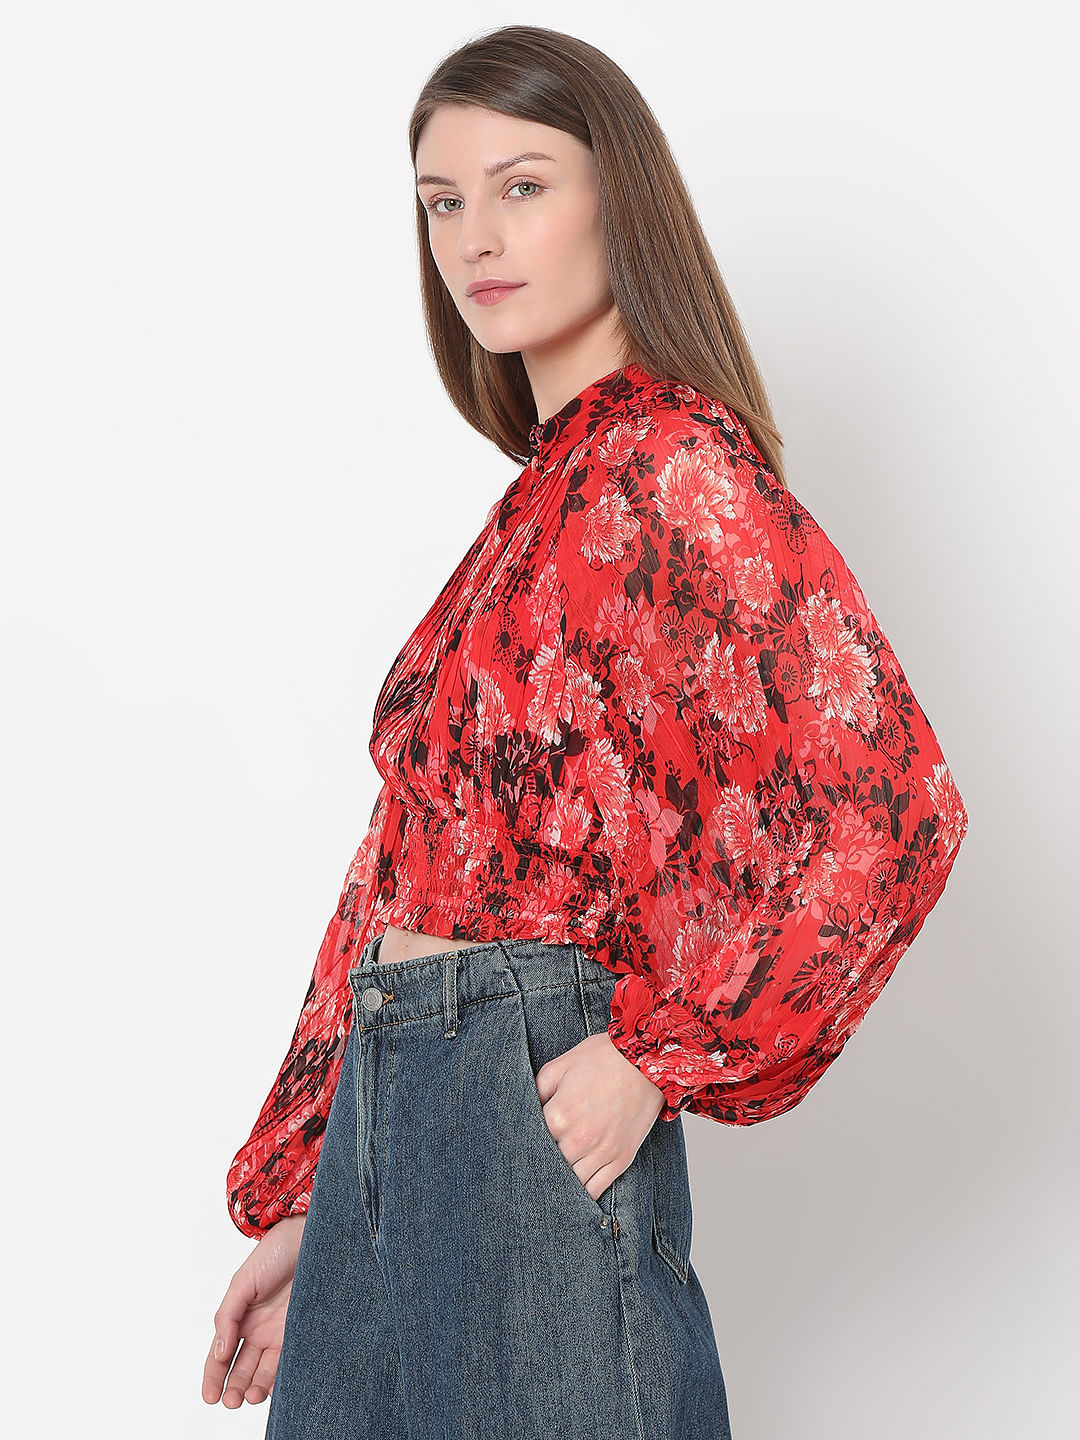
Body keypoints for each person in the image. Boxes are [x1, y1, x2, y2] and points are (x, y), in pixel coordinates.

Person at [202, 24, 969, 1439]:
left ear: (622, 198)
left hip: (528, 1089)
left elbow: (889, 809)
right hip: (394, 1102)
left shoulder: (672, 469)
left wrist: (655, 1056)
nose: (475, 239)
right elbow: (404, 867)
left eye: (522, 186)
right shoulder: (547, 498)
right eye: (443, 202)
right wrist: (319, 1186)